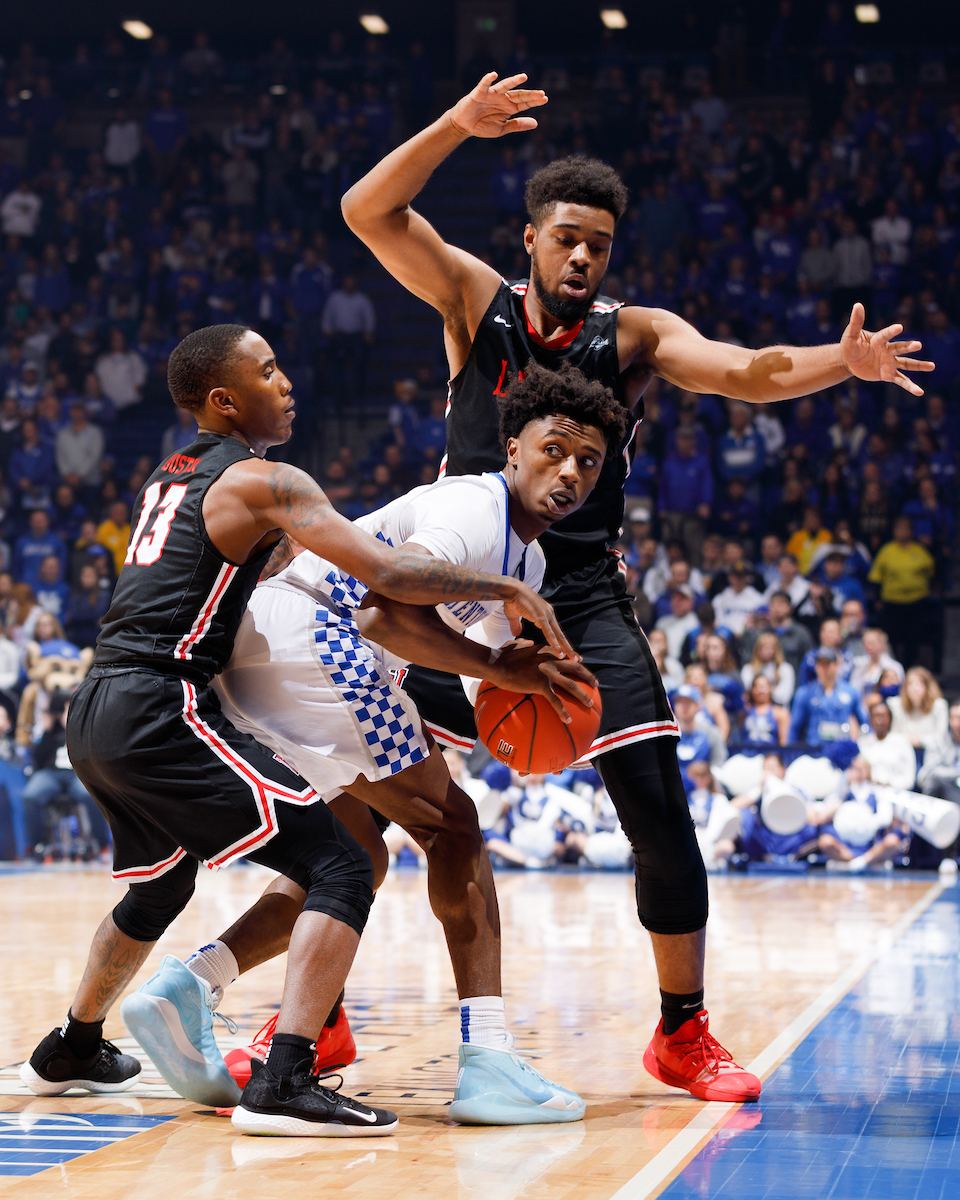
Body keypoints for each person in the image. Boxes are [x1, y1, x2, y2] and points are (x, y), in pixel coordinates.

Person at [340, 71, 931, 1104]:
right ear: (530, 238)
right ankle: (323, 1016)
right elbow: (367, 212)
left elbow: (747, 371)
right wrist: (452, 126)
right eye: (565, 236)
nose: (581, 256)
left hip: (579, 589)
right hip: (459, 572)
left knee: (657, 804)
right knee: (361, 789)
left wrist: (839, 364)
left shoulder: (637, 335)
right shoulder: (474, 301)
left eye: (598, 244)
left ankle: (682, 1031)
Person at [19, 324, 574, 1140]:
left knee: (167, 882)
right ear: (223, 399)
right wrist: (506, 592)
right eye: (268, 370)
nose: (286, 383)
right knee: (344, 866)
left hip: (100, 707)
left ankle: (72, 1044)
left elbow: (247, 570)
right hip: (163, 702)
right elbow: (384, 580)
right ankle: (286, 1079)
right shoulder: (262, 480)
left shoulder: (170, 476)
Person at [189, 362, 613, 1122]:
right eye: (554, 450)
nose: (570, 471)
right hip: (321, 636)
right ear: (512, 449)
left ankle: (190, 985)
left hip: (277, 648)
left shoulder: (530, 556)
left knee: (355, 853)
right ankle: (487, 1061)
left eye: (589, 462)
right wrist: (493, 659)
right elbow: (386, 613)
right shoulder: (476, 506)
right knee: (454, 825)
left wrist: (534, 700)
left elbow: (489, 681)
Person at [816, 756, 909, 872]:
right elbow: (822, 817)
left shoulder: (878, 792)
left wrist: (865, 825)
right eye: (852, 768)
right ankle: (852, 862)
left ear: (867, 771)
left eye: (860, 769)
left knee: (892, 842)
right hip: (845, 843)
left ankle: (864, 861)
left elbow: (885, 819)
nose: (856, 772)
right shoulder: (841, 793)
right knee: (825, 841)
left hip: (871, 844)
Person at [868, 516, 935, 668]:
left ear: (912, 531)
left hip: (916, 603)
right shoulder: (887, 551)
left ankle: (909, 666)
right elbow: (876, 577)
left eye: (906, 528)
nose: (902, 531)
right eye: (899, 528)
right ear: (894, 531)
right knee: (892, 637)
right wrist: (878, 599)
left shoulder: (920, 550)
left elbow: (931, 573)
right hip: (892, 603)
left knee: (913, 638)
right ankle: (892, 667)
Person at [789, 647, 869, 754]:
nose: (824, 668)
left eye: (828, 664)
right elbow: (795, 727)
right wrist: (790, 753)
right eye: (820, 664)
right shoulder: (804, 693)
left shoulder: (851, 692)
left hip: (842, 749)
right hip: (814, 750)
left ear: (837, 665)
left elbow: (864, 722)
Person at [856, 699, 917, 790]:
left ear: (890, 719)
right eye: (875, 716)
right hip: (869, 792)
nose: (878, 720)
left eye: (882, 716)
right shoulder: (862, 743)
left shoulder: (902, 743)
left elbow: (909, 779)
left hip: (895, 793)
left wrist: (888, 783)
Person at [917, 701, 960, 807]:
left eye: (959, 718)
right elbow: (933, 771)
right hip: (938, 789)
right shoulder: (937, 741)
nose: (955, 723)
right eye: (952, 718)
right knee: (946, 786)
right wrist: (957, 774)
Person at [741, 632, 795, 707]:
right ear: (757, 649)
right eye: (764, 647)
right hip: (755, 710)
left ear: (776, 650)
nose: (767, 651)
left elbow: (784, 697)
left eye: (771, 648)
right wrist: (771, 690)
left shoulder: (785, 669)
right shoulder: (748, 669)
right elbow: (748, 693)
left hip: (778, 711)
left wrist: (762, 690)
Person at [741, 675, 790, 746]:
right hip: (747, 753)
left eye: (764, 686)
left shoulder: (780, 713)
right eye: (756, 687)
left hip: (770, 754)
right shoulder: (745, 712)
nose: (760, 690)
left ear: (770, 689)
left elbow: (784, 741)